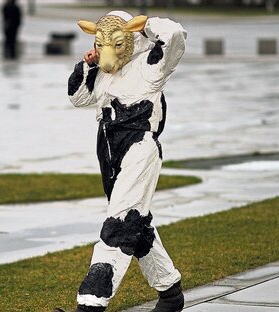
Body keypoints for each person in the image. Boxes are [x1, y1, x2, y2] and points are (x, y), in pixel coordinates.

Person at [61, 11, 187, 312]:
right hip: (108, 151)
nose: (108, 53)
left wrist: (146, 26)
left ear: (129, 39)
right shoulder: (105, 73)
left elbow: (176, 36)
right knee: (137, 225)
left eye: (115, 44)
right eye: (102, 43)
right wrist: (88, 65)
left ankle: (90, 304)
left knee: (119, 224)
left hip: (138, 149)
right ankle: (171, 293)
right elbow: (78, 97)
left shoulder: (149, 66)